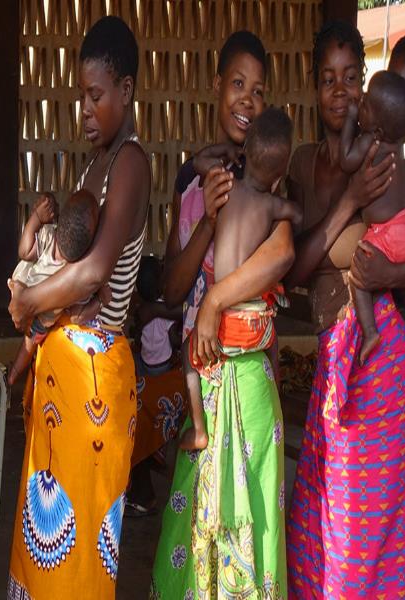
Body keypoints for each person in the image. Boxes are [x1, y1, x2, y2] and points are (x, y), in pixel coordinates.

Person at [5, 16, 150, 599]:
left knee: (79, 555)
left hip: (95, 384)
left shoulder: (131, 164)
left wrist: (29, 303)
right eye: (81, 97)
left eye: (95, 96)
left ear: (127, 91)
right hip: (65, 376)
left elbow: (92, 272)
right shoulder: (94, 167)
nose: (85, 111)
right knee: (48, 544)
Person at [150, 31, 295, 598]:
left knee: (250, 518)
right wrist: (208, 221)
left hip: (248, 369)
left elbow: (282, 252)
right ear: (216, 87)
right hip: (203, 381)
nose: (246, 100)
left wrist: (215, 301)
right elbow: (169, 288)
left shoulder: (266, 176)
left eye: (258, 91)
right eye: (237, 84)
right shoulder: (193, 184)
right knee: (196, 517)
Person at [285, 21, 405, 599]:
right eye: (328, 79)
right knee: (315, 523)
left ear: (365, 84)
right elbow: (296, 266)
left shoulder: (384, 157)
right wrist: (349, 203)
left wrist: (393, 273)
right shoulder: (305, 165)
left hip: (372, 354)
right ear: (314, 89)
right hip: (330, 364)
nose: (340, 91)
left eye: (350, 77)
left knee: (358, 530)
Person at [178, 108, 302, 451]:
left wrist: (228, 154)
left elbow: (197, 163)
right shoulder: (272, 206)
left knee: (188, 356)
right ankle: (271, 393)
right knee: (272, 344)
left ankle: (200, 428)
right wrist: (285, 199)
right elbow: (299, 216)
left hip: (220, 323)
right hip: (251, 322)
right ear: (279, 175)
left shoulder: (225, 187)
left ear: (245, 152)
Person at [7, 189, 110, 386]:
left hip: (20, 287)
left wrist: (37, 217)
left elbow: (24, 250)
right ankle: (14, 373)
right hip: (44, 319)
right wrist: (100, 301)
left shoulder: (47, 235)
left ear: (59, 221)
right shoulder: (75, 275)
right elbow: (77, 316)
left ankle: (12, 373)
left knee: (23, 272)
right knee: (29, 344)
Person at [339, 71, 405, 364]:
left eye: (365, 104)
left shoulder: (370, 143)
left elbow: (345, 159)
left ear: (377, 130)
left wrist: (349, 121)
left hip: (387, 233)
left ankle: (370, 332)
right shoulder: (398, 154)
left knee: (359, 274)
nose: (360, 101)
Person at [124, 255, 184, 518]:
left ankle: (142, 491)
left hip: (177, 375)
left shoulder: (157, 306)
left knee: (137, 408)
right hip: (167, 370)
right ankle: (138, 485)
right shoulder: (154, 304)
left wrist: (155, 312)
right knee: (128, 403)